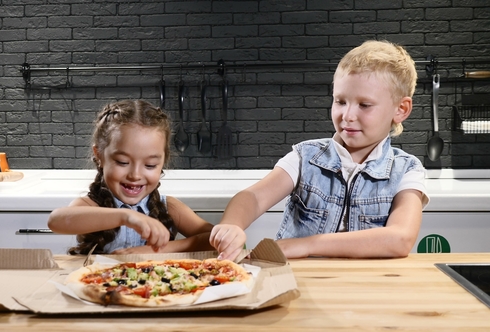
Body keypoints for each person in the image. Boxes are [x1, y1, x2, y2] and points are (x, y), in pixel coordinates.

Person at [210, 40, 429, 260]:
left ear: (401, 109)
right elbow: (253, 198)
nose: (348, 115)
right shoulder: (305, 157)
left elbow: (400, 239)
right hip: (297, 280)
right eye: (340, 101)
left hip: (366, 286)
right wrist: (232, 225)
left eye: (364, 105)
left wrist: (307, 245)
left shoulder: (408, 170)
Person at [48, 100, 214, 255]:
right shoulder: (90, 205)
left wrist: (158, 250)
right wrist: (126, 217)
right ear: (99, 155)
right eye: (122, 162)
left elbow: (214, 238)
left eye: (149, 165)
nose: (135, 175)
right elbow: (56, 220)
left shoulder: (168, 207)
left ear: (162, 163)